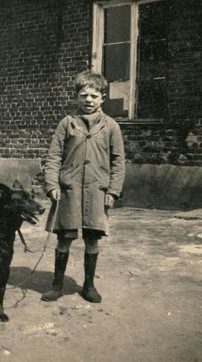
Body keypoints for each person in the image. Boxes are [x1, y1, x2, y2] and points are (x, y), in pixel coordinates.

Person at [41, 70, 125, 304]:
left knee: (92, 238)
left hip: (97, 191)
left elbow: (118, 161)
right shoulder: (67, 124)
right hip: (69, 190)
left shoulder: (111, 127)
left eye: (94, 96)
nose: (88, 100)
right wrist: (52, 185)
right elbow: (53, 157)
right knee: (64, 238)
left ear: (103, 98)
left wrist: (113, 190)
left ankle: (88, 286)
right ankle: (57, 286)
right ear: (76, 97)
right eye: (83, 95)